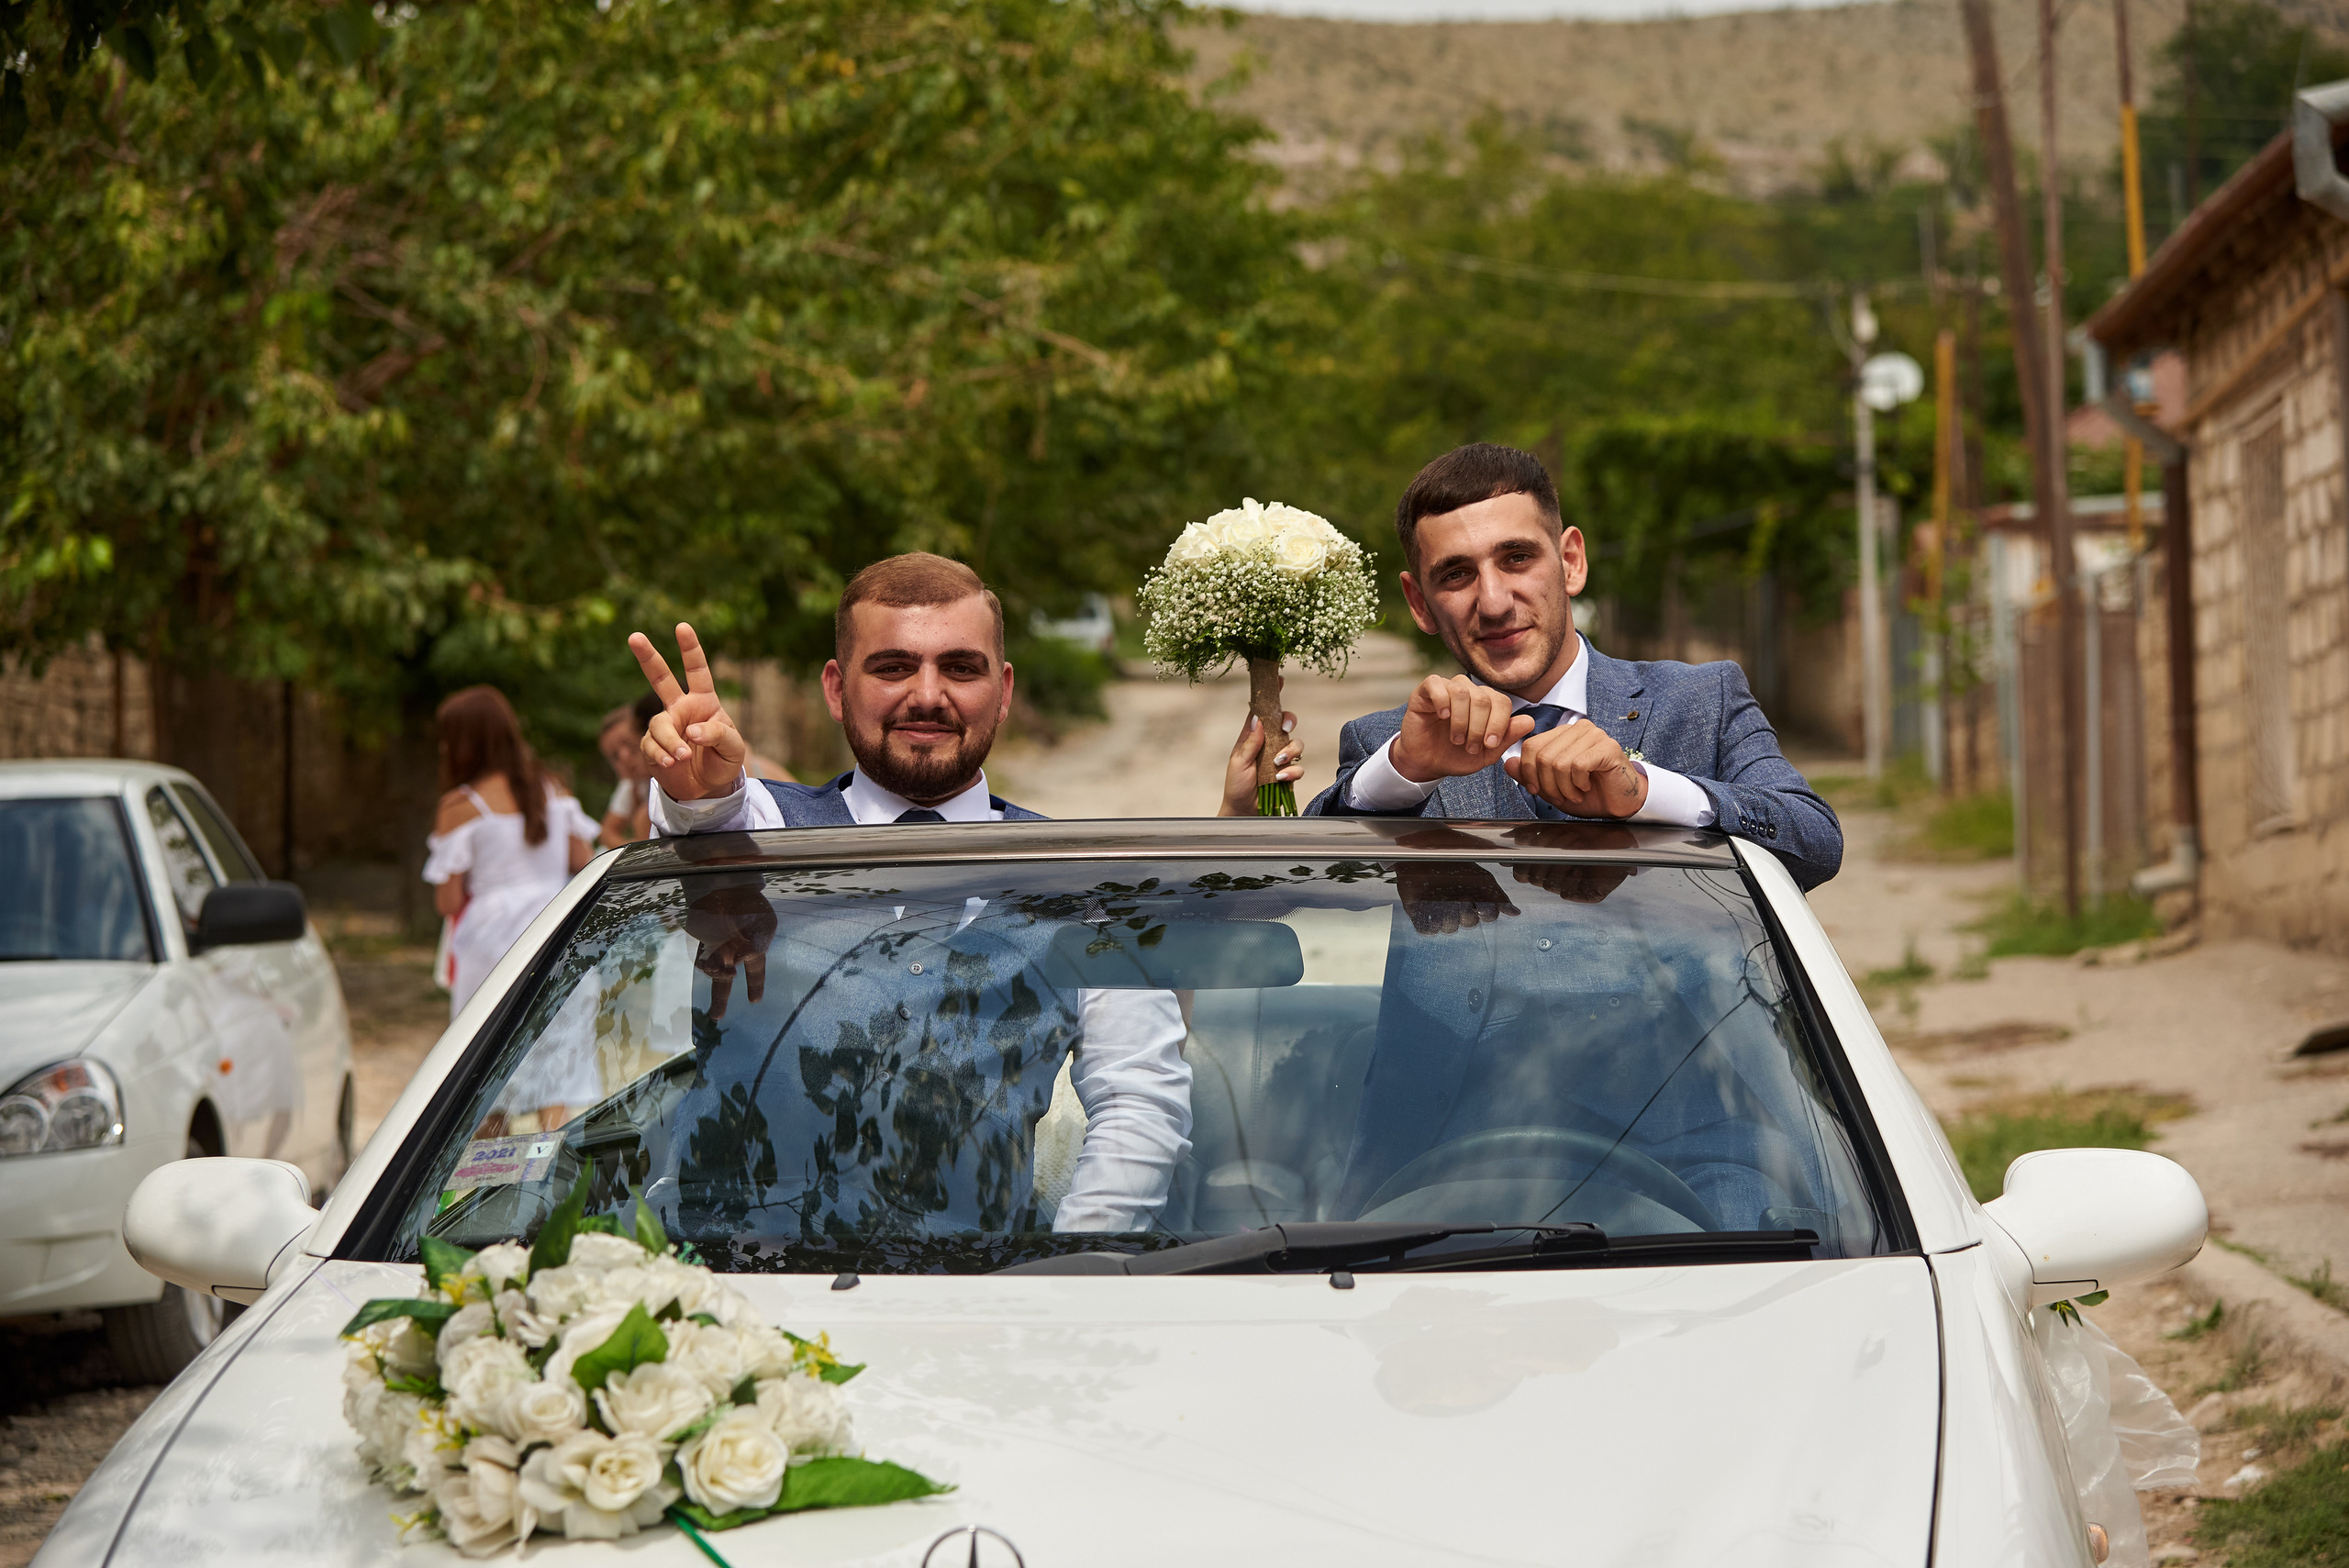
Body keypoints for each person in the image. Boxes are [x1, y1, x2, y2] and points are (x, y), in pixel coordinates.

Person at [625, 552, 1298, 1229]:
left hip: (978, 1306)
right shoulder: (767, 834)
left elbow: (1140, 1101)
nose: (926, 694)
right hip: (742, 1292)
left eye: (960, 667)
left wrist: (1064, 1277)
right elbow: (713, 822)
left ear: (1003, 690)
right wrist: (701, 794)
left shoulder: (1082, 883)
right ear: (836, 688)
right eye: (892, 666)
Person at [1306, 442, 1841, 891]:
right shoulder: (1388, 747)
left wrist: (1644, 791)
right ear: (1419, 603)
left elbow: (1815, 844)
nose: (1493, 602)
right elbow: (1316, 885)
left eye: (1516, 558)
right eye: (1456, 575)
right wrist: (1404, 772)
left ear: (1571, 562)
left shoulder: (1704, 697)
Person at [424, 686, 600, 1032]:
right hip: (555, 926)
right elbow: (584, 861)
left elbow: (449, 901)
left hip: (491, 937)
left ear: (464, 742)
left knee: (489, 1044)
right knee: (562, 1038)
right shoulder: (553, 788)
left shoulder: (458, 807)